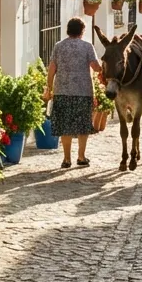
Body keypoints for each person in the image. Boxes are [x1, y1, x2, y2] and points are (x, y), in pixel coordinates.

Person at [44, 17, 103, 169]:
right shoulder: (87, 46)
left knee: (65, 126)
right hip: (83, 92)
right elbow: (96, 67)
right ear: (82, 31)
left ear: (68, 30)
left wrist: (49, 88)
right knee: (83, 126)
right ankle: (81, 157)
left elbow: (52, 69)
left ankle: (66, 159)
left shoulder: (59, 46)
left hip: (62, 91)